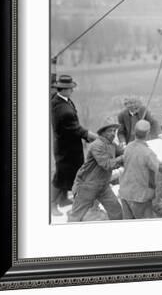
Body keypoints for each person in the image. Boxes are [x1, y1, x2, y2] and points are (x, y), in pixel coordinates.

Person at [50, 75, 97, 216]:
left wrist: (87, 136)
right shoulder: (62, 108)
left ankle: (63, 199)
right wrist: (94, 137)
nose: (72, 91)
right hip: (66, 149)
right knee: (60, 175)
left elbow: (74, 128)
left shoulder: (63, 100)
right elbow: (76, 129)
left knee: (71, 173)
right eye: (70, 89)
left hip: (69, 145)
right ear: (63, 89)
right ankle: (51, 205)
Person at [68, 118, 124, 222]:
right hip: (87, 185)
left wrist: (131, 148)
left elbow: (122, 152)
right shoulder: (97, 145)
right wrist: (122, 158)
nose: (113, 133)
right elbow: (106, 164)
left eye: (114, 131)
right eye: (110, 131)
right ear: (103, 132)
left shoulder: (112, 145)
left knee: (116, 211)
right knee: (76, 216)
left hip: (103, 185)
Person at [119, 120, 162, 219]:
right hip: (140, 197)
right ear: (148, 134)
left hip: (125, 193)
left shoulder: (128, 147)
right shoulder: (147, 153)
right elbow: (160, 169)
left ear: (134, 132)